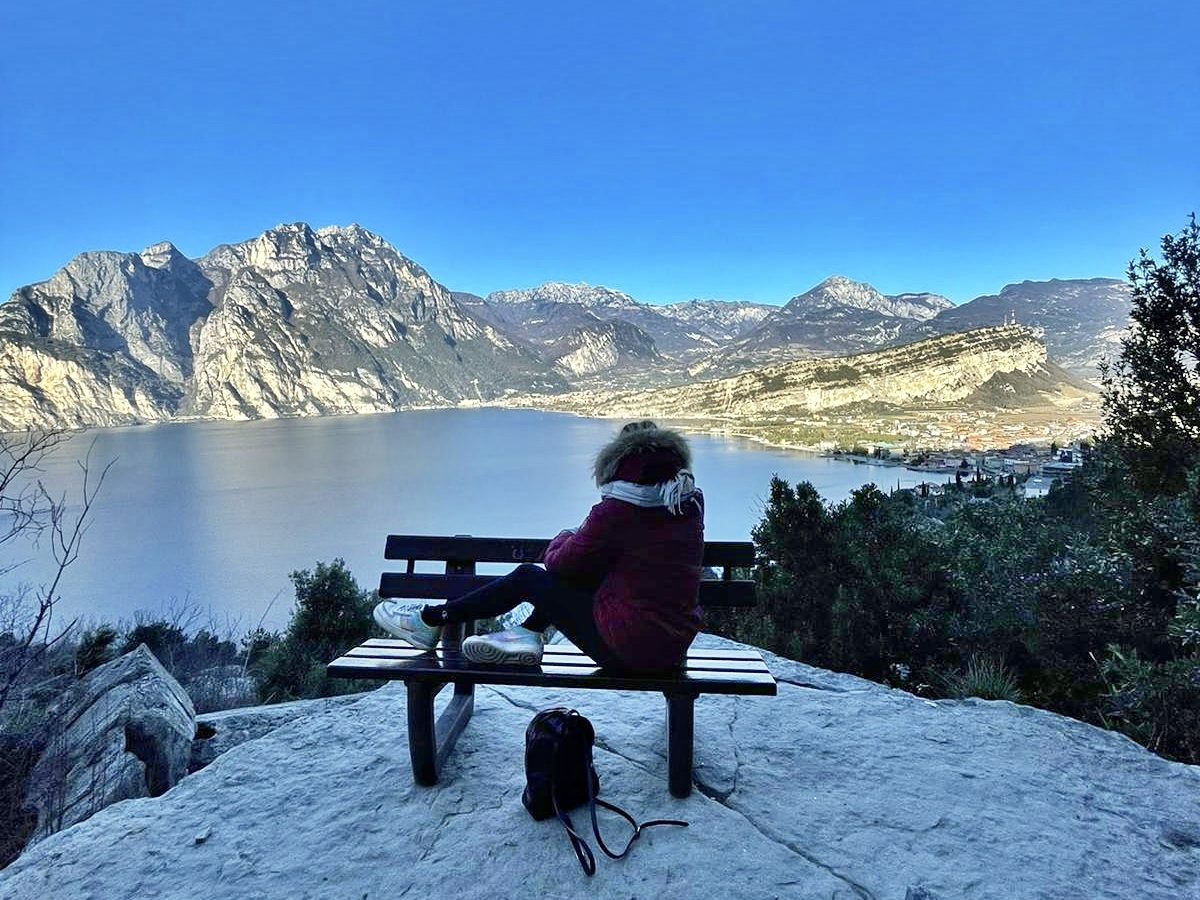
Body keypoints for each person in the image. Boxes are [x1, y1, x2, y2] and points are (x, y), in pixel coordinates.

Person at [372, 420, 705, 671]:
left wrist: (565, 536)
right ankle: (528, 632)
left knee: (529, 577)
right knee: (585, 571)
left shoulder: (618, 512)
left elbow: (559, 563)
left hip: (628, 650)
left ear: (619, 465)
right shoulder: (687, 503)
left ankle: (429, 620)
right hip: (672, 648)